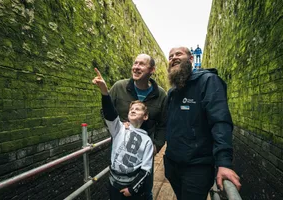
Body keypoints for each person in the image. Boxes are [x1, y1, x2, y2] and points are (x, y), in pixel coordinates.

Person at [164, 47, 241, 200]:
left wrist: (224, 163)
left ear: (191, 59)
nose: (173, 58)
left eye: (179, 54)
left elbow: (220, 121)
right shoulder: (172, 92)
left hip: (197, 167)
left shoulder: (208, 81)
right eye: (170, 56)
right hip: (173, 165)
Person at [108, 54, 167, 200]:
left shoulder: (160, 95)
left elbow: (164, 124)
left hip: (145, 150)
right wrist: (118, 126)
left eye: (141, 64)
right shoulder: (118, 87)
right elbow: (106, 111)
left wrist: (157, 146)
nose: (136, 67)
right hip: (121, 149)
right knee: (117, 185)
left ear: (152, 70)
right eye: (135, 63)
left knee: (145, 188)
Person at [92, 68, 154, 200]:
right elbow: (110, 113)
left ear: (146, 116)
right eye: (131, 109)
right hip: (113, 184)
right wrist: (104, 91)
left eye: (137, 109)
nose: (133, 110)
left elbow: (146, 169)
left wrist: (132, 189)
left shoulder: (147, 140)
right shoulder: (119, 129)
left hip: (132, 187)